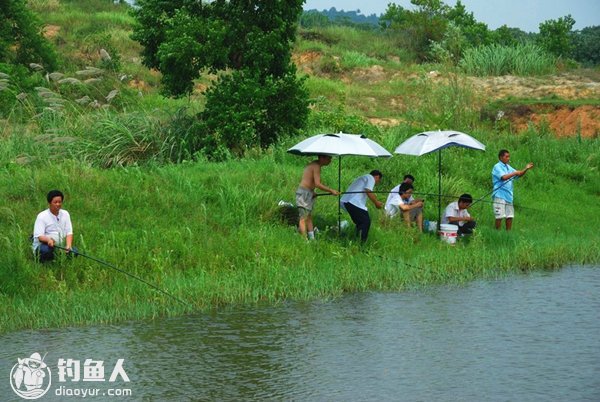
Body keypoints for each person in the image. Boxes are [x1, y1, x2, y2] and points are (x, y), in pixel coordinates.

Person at [296, 155, 340, 239]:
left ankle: (312, 239)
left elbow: (310, 182)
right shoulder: (316, 166)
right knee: (303, 218)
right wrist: (331, 190)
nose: (330, 161)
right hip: (303, 193)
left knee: (308, 217)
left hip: (308, 192)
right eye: (328, 158)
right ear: (322, 158)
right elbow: (318, 184)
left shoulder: (315, 165)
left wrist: (312, 191)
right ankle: (304, 241)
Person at [492, 149, 534, 231]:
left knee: (509, 216)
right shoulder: (497, 166)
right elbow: (503, 177)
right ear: (501, 157)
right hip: (499, 194)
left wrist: (526, 168)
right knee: (499, 216)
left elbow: (519, 174)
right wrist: (515, 173)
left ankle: (508, 234)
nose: (508, 158)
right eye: (506, 156)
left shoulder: (508, 167)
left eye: (509, 156)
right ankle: (497, 233)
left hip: (508, 195)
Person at [32, 190, 76, 262]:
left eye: (60, 202)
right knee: (45, 250)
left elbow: (69, 232)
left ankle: (59, 257)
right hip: (45, 245)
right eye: (55, 202)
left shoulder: (65, 214)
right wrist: (48, 240)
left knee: (74, 251)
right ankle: (48, 261)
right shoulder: (42, 216)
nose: (58, 204)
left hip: (60, 246)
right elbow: (40, 236)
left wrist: (68, 245)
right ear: (49, 203)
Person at [340, 170, 383, 243]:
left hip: (347, 201)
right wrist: (376, 203)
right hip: (353, 202)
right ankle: (361, 243)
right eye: (378, 181)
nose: (377, 183)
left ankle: (357, 240)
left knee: (361, 222)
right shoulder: (370, 178)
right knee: (365, 222)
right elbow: (368, 190)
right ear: (377, 177)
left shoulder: (363, 178)